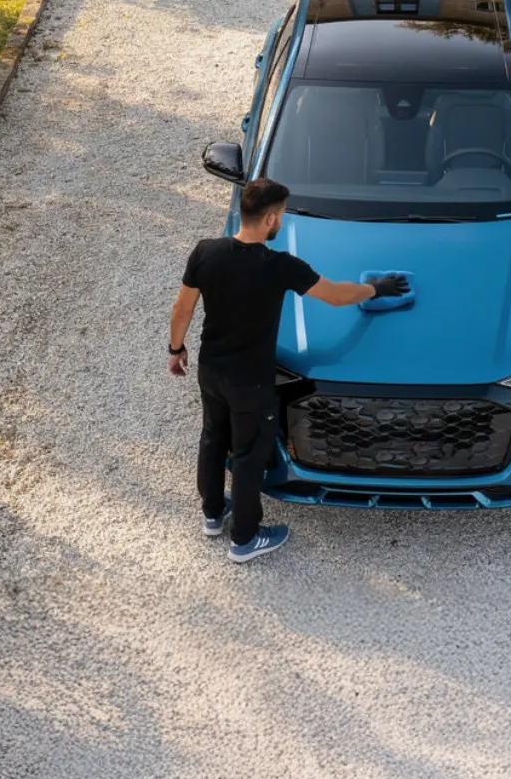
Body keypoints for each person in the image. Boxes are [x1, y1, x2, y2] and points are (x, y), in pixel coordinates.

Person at [169, 178, 409, 562]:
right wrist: (376, 289)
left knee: (213, 439)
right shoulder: (279, 266)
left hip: (211, 370)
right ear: (268, 219)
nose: (282, 220)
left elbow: (182, 309)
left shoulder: (206, 251)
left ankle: (213, 514)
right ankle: (245, 540)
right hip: (250, 381)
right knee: (248, 455)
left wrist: (175, 349)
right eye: (281, 214)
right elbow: (335, 296)